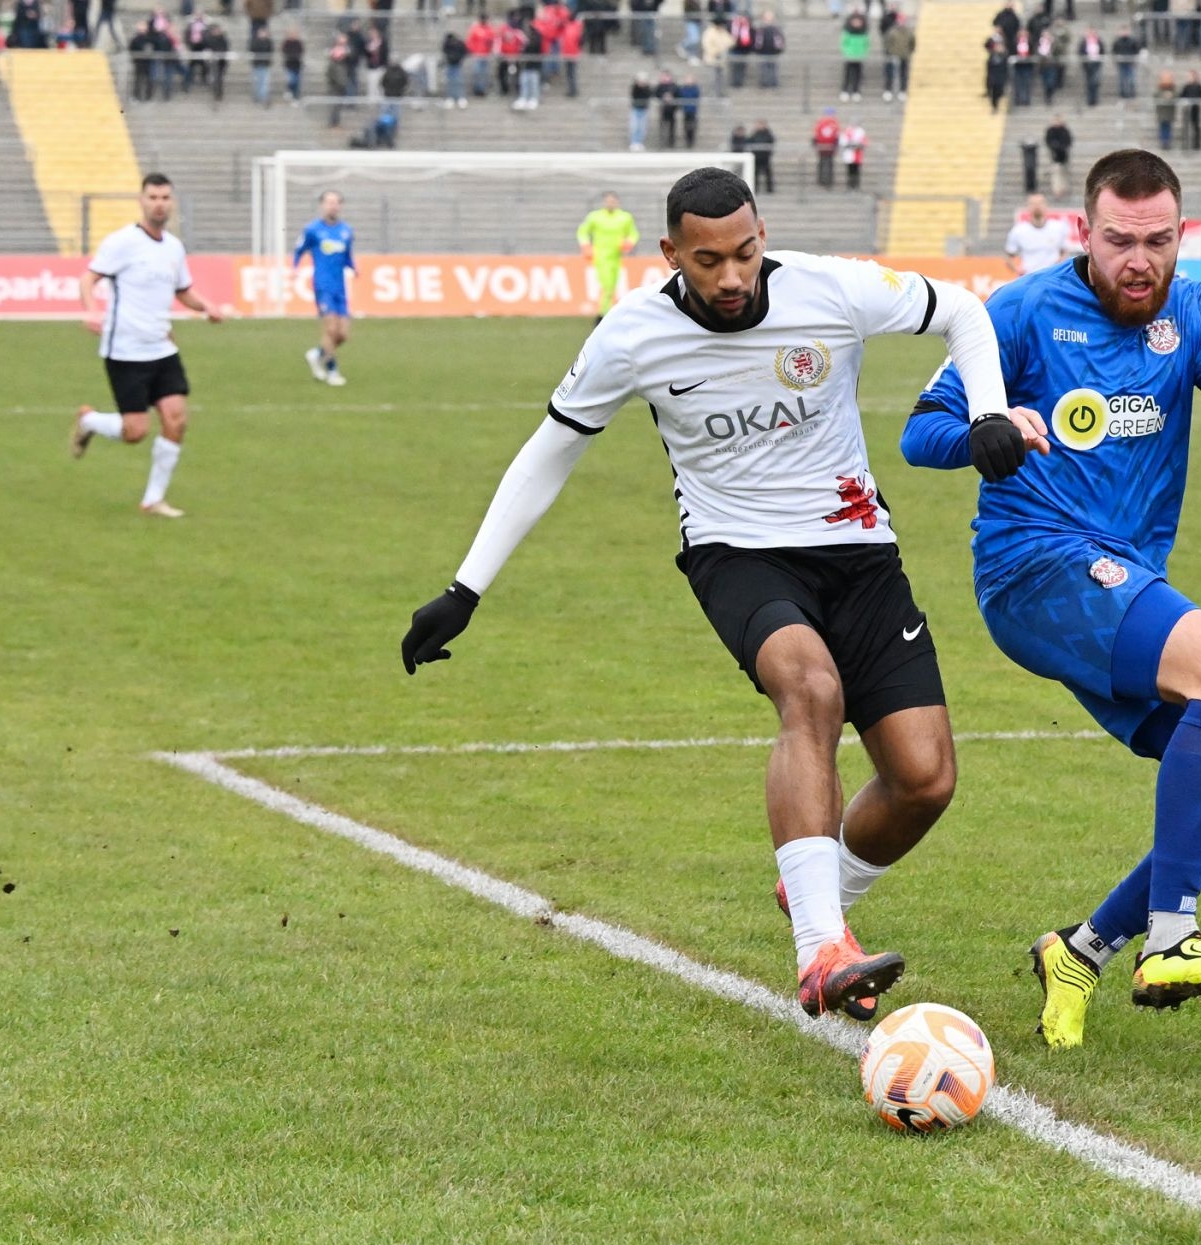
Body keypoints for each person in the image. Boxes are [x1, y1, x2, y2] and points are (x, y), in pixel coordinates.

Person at [400, 168, 1019, 1022]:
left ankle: (816, 891)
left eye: (745, 253)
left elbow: (963, 312)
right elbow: (551, 450)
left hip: (859, 551)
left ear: (763, 237)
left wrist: (988, 412)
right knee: (811, 689)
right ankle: (821, 950)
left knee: (924, 780)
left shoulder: (831, 288)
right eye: (708, 261)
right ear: (670, 253)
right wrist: (464, 589)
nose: (732, 277)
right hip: (737, 555)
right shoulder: (632, 335)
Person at [902, 150, 1201, 1050]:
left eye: (1158, 241)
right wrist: (988, 433)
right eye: (1121, 240)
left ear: (1181, 235)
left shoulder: (1195, 313)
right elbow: (919, 433)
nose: (1140, 260)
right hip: (1033, 567)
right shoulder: (1021, 311)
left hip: (1121, 581)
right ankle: (1172, 937)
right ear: (1086, 232)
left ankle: (1080, 951)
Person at [70, 175, 226, 519]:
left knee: (176, 420)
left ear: (172, 202)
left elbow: (182, 290)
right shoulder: (122, 242)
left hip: (162, 347)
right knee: (135, 432)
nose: (159, 203)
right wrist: (91, 311)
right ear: (141, 201)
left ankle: (153, 500)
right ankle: (89, 421)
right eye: (153, 197)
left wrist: (207, 307)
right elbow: (88, 278)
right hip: (125, 351)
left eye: (165, 197)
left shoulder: (174, 247)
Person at [291, 190, 355, 386]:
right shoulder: (313, 230)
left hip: (340, 287)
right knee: (331, 330)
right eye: (329, 202)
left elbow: (347, 256)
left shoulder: (346, 231)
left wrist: (353, 267)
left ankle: (317, 354)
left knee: (342, 335)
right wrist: (294, 268)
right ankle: (332, 371)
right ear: (322, 205)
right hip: (323, 286)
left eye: (336, 202)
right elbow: (299, 250)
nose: (333, 206)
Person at [577, 190, 639, 318]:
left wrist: (629, 242)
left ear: (617, 202)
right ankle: (602, 315)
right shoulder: (595, 217)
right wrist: (586, 245)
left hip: (616, 257)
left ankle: (605, 313)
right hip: (601, 256)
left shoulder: (625, 217)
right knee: (607, 285)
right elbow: (582, 231)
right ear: (604, 202)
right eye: (608, 201)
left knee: (612, 286)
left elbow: (633, 233)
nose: (610, 203)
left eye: (613, 201)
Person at [1005, 192, 1071, 274]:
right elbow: (1009, 256)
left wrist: (1059, 265)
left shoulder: (1058, 228)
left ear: (1046, 205)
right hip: (1030, 276)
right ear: (1027, 207)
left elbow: (1065, 251)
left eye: (1040, 203)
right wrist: (1017, 270)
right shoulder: (1018, 231)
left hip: (1051, 276)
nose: (1037, 206)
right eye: (1033, 204)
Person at [839, 7, 868, 101]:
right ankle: (845, 90)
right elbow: (844, 43)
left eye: (858, 21)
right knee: (847, 74)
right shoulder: (848, 32)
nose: (856, 23)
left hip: (859, 56)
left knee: (858, 75)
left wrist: (863, 53)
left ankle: (856, 91)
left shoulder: (863, 33)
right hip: (850, 56)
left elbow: (866, 44)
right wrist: (847, 53)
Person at [883, 13, 912, 100]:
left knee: (903, 74)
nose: (901, 23)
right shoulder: (892, 32)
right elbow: (887, 43)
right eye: (900, 21)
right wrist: (890, 53)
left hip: (904, 56)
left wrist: (908, 52)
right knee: (890, 73)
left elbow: (912, 43)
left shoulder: (908, 32)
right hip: (893, 55)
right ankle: (888, 90)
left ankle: (902, 90)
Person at [1044, 114, 1073, 196]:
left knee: (1064, 173)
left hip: (1064, 156)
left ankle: (1064, 189)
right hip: (1055, 156)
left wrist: (1062, 147)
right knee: (1056, 174)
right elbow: (1048, 142)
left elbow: (1068, 142)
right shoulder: (1051, 131)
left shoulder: (1065, 130)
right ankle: (1056, 190)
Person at [1180, 67, 1201, 148]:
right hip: (1187, 109)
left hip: (1195, 109)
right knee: (1186, 127)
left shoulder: (1199, 86)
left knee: (1196, 126)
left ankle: (1196, 144)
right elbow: (1181, 96)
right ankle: (1185, 144)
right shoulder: (1186, 86)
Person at [747, 118, 776, 192]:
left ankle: (769, 189)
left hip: (765, 157)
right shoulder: (754, 134)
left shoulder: (768, 134)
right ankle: (755, 188)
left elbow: (770, 142)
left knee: (767, 174)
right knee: (755, 174)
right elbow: (749, 141)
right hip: (757, 157)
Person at [813, 108, 839, 186]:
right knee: (824, 163)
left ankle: (826, 180)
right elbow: (816, 135)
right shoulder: (828, 123)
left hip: (828, 147)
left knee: (828, 163)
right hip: (824, 147)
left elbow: (836, 136)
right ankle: (823, 180)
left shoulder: (833, 123)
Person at [839, 118, 867, 189]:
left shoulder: (861, 131)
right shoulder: (847, 131)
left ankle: (856, 186)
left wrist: (858, 145)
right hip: (849, 154)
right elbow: (843, 141)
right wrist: (850, 145)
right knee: (850, 171)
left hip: (857, 154)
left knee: (856, 171)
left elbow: (863, 142)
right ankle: (850, 186)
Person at [1153, 68, 1178, 147]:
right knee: (1162, 127)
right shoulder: (1159, 88)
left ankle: (1167, 141)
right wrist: (1163, 96)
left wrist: (1171, 95)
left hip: (1169, 112)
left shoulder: (1173, 88)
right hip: (1162, 112)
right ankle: (1163, 141)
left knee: (1168, 127)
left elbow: (1177, 95)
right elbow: (1155, 95)